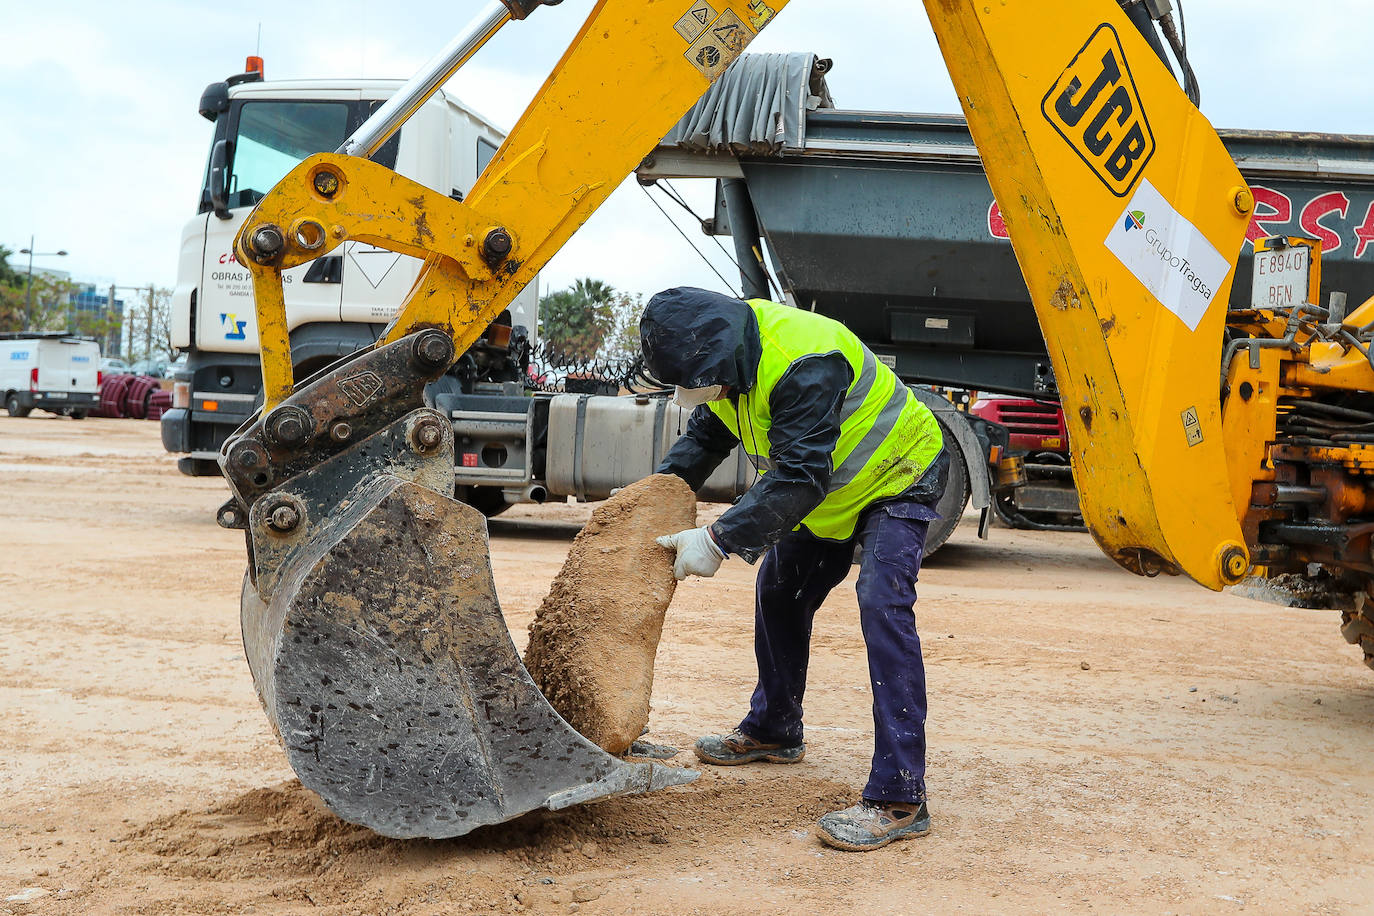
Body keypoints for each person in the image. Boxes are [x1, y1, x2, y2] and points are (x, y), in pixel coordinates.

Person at [641, 286, 948, 852]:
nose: (712, 395)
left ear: (719, 353)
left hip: (898, 474)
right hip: (830, 491)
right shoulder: (728, 360)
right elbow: (707, 436)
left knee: (881, 603)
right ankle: (774, 728)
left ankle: (900, 796)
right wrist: (646, 502)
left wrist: (718, 538)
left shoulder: (805, 362)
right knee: (780, 589)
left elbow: (801, 476)